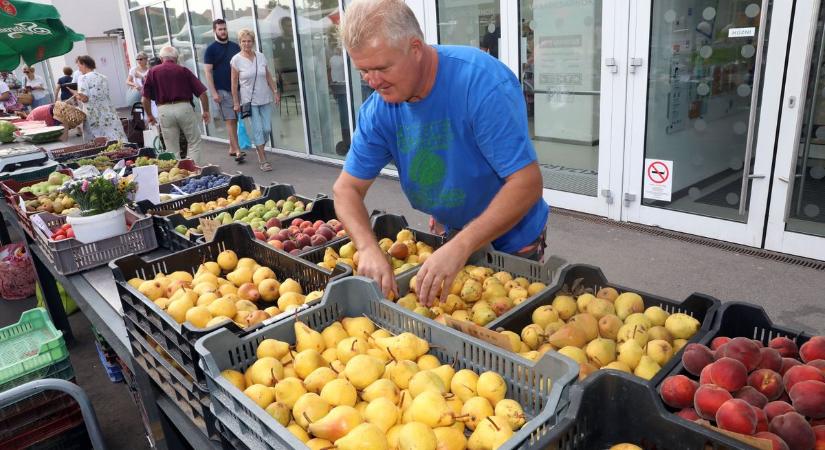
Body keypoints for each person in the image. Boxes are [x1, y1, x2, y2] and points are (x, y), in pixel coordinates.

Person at [333, 0, 549, 306]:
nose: (373, 81)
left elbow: (526, 184)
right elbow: (346, 190)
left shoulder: (481, 84)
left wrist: (462, 244)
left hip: (512, 242)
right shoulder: (378, 110)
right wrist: (367, 247)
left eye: (381, 68)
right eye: (364, 70)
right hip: (454, 234)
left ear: (416, 49)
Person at [142, 46, 210, 163]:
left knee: (171, 148)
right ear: (176, 58)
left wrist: (149, 115)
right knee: (194, 143)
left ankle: (178, 175)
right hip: (184, 107)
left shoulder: (153, 71)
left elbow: (145, 99)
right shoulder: (183, 70)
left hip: (164, 110)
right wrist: (206, 111)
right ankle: (195, 171)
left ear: (161, 58)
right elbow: (202, 94)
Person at [230, 28, 279, 172]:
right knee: (258, 130)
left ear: (253, 42)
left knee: (267, 129)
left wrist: (275, 91)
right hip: (249, 102)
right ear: (240, 43)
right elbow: (233, 83)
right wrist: (236, 102)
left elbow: (268, 76)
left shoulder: (261, 56)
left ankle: (259, 148)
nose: (246, 44)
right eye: (243, 41)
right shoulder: (236, 60)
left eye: (249, 41)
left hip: (265, 98)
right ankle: (263, 159)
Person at [203, 19, 244, 161]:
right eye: (220, 29)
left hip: (238, 89)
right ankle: (238, 150)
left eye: (224, 29)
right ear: (215, 31)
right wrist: (213, 92)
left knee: (236, 120)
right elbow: (208, 72)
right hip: (222, 90)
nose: (223, 31)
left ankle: (232, 147)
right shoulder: (210, 49)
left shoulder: (235, 46)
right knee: (230, 120)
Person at [68, 55, 126, 141]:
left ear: (84, 64)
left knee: (98, 141)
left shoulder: (83, 78)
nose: (79, 69)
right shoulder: (103, 77)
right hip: (108, 111)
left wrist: (73, 92)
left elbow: (85, 98)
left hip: (93, 114)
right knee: (115, 137)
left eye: (79, 66)